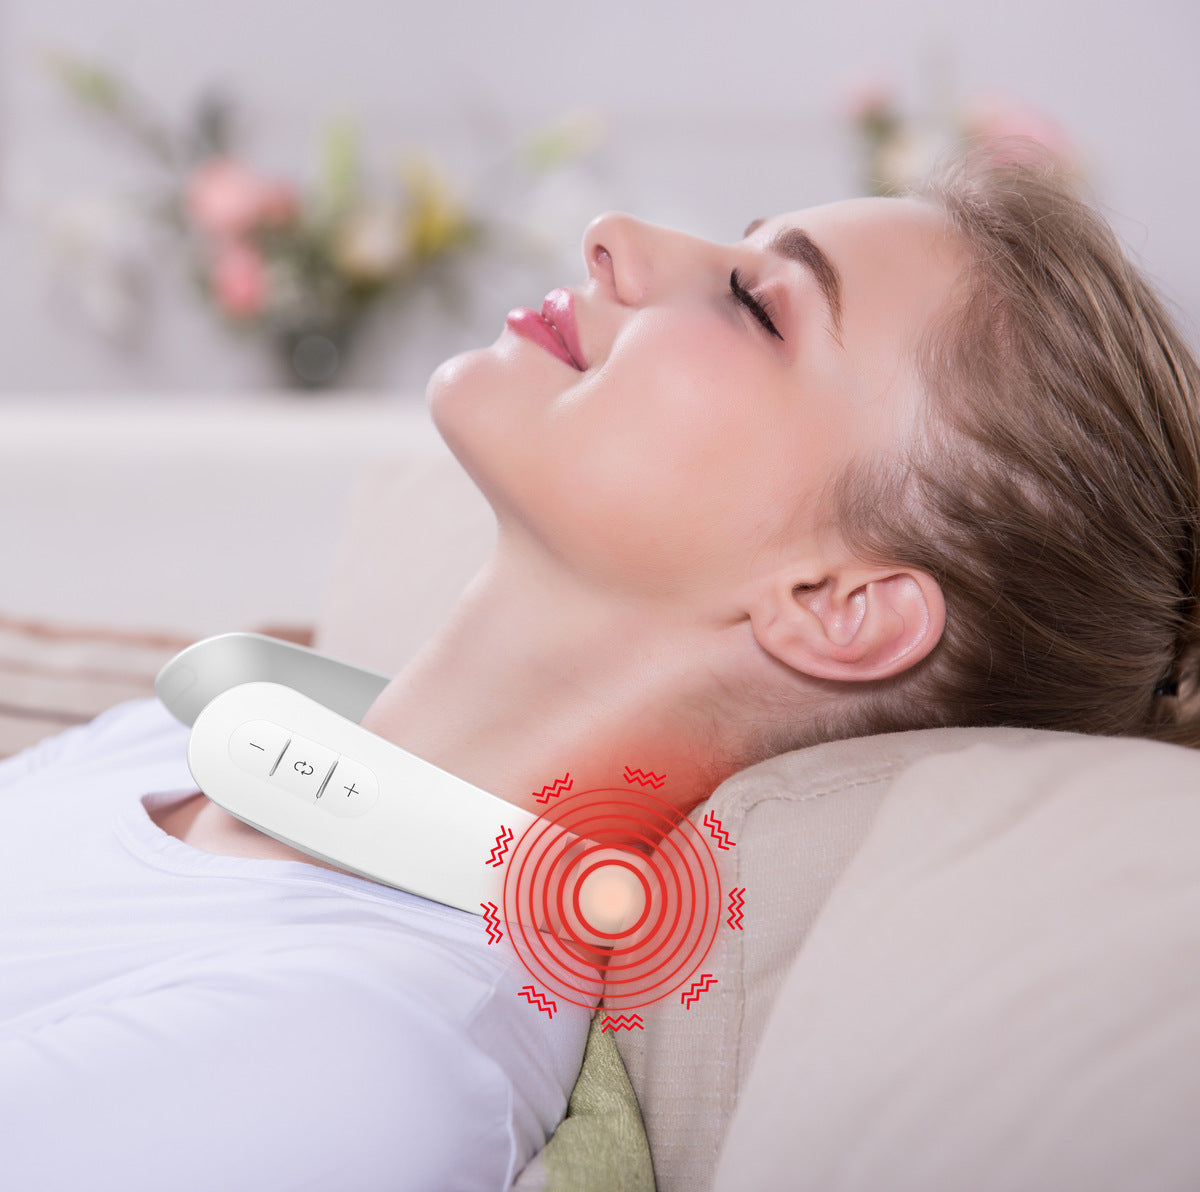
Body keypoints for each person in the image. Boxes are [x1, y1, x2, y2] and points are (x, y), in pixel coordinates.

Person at [4, 136, 1199, 1191]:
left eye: (756, 304)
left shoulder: (348, 1057)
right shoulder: (173, 742)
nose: (613, 238)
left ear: (839, 607)